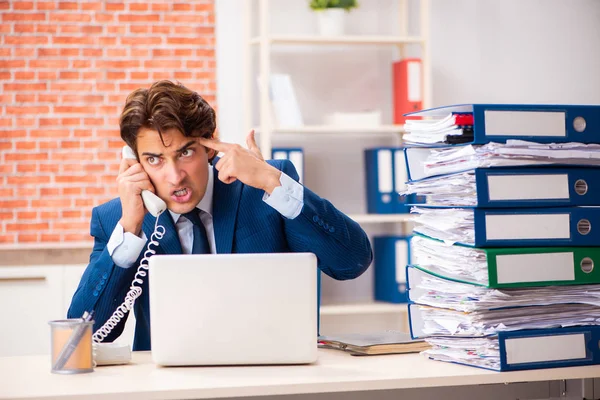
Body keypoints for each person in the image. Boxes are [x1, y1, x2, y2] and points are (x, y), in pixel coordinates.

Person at [68, 80, 373, 351]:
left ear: (210, 147)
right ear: (135, 162)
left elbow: (352, 262)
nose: (175, 177)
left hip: (274, 379)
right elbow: (82, 338)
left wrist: (272, 181)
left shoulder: (264, 187)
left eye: (185, 153)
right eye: (154, 159)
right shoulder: (118, 220)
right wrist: (131, 228)